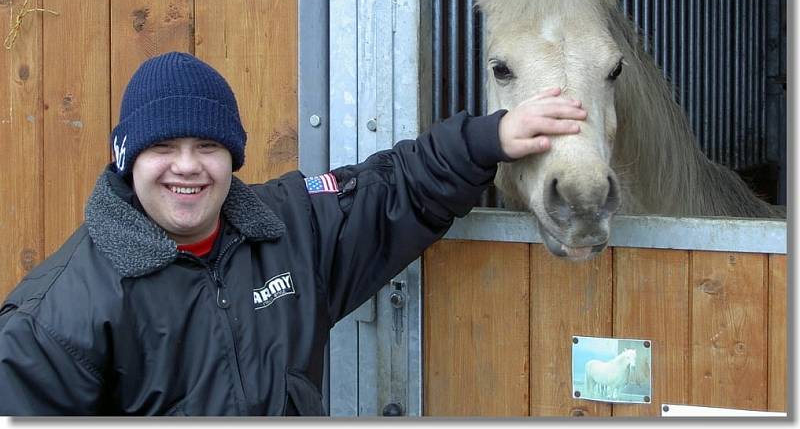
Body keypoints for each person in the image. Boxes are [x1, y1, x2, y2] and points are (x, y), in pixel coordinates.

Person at [0, 52, 586, 415]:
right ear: (128, 159)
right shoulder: (54, 318)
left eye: (207, 146)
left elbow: (396, 186)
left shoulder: (287, 229)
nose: (187, 166)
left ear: (232, 156)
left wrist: (492, 139)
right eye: (162, 148)